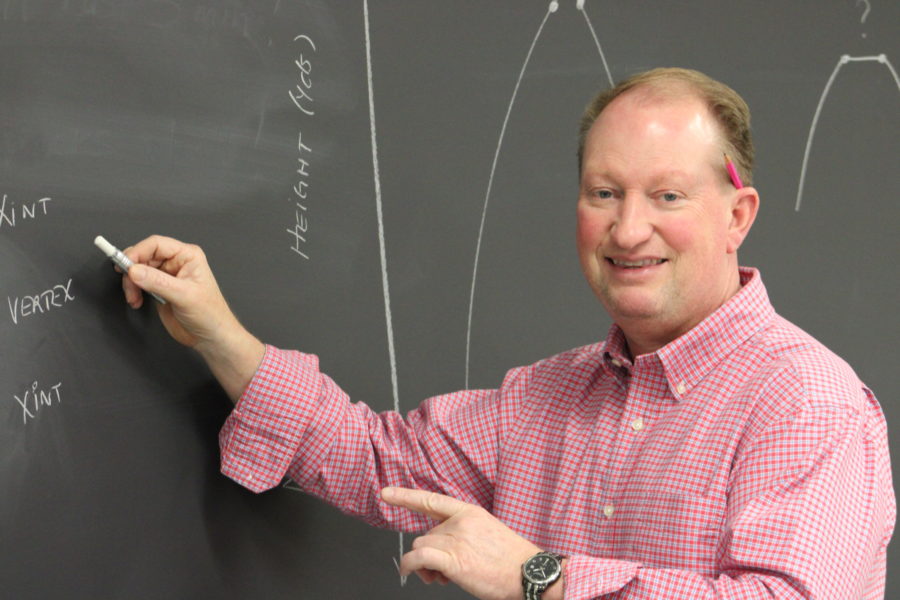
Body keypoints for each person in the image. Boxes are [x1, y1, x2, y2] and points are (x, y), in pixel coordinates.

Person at [118, 68, 894, 599]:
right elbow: (372, 456)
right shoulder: (543, 398)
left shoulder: (808, 403)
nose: (628, 228)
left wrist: (538, 577)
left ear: (737, 216)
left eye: (667, 194)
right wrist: (219, 332)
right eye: (604, 191)